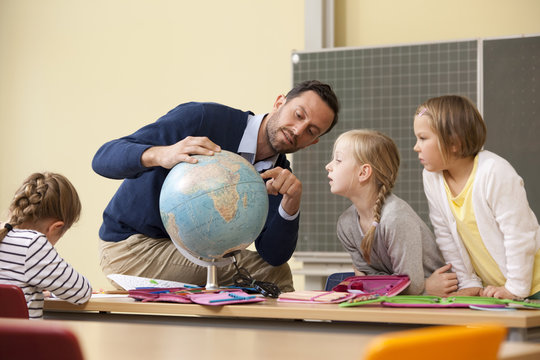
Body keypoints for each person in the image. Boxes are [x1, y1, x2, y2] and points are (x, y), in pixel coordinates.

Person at [92, 80, 339, 292]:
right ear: (279, 102)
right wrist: (161, 154)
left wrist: (290, 207)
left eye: (310, 131)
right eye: (298, 115)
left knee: (272, 271)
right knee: (274, 277)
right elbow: (103, 158)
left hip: (190, 254)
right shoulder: (203, 119)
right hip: (131, 248)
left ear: (312, 143)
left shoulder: (279, 176)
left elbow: (273, 256)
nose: (298, 130)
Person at [413, 95, 540, 300]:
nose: (416, 147)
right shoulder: (431, 177)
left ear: (454, 142)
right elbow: (445, 236)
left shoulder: (494, 172)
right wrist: (468, 281)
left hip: (532, 286)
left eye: (423, 138)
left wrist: (516, 288)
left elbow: (519, 234)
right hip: (500, 290)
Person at [325, 129, 454, 295]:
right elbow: (365, 282)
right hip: (405, 300)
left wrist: (420, 287)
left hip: (438, 301)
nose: (328, 166)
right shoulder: (346, 224)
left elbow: (411, 286)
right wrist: (426, 286)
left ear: (363, 172)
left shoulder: (395, 218)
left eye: (338, 160)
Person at [0, 172, 92, 319]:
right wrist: (52, 286)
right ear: (56, 227)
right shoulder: (32, 243)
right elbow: (81, 292)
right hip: (19, 341)